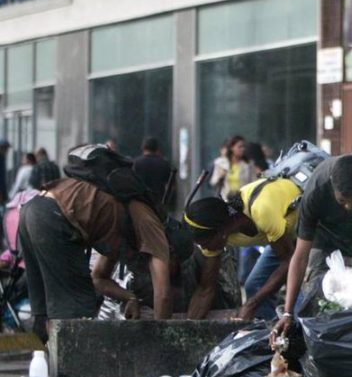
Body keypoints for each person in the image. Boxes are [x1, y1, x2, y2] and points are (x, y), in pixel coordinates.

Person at [18, 173, 172, 342]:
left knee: (43, 314)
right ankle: (73, 366)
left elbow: (98, 278)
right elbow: (163, 294)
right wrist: (160, 344)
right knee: (77, 311)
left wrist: (130, 298)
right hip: (53, 217)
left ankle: (42, 362)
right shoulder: (152, 226)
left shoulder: (122, 219)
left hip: (32, 210)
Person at [271, 153, 352, 334]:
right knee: (319, 301)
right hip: (326, 244)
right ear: (331, 184)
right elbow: (301, 255)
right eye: (342, 201)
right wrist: (288, 313)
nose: (349, 207)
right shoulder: (316, 190)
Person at [183, 172, 304, 321]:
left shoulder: (261, 211)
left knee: (300, 296)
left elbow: (289, 262)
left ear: (221, 231)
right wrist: (190, 327)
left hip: (312, 228)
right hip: (284, 236)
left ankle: (299, 334)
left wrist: (250, 305)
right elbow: (206, 288)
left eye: (205, 244)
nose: (205, 248)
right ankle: (270, 335)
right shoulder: (216, 235)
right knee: (255, 286)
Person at [133, 137, 175, 208]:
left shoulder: (136, 163)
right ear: (157, 148)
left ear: (143, 147)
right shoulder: (164, 163)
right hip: (158, 201)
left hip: (141, 201)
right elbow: (171, 186)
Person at [210, 135, 256, 200]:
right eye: (239, 147)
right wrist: (221, 175)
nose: (243, 149)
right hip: (225, 199)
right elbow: (213, 182)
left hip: (243, 199)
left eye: (244, 147)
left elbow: (253, 183)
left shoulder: (248, 164)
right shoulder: (221, 163)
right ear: (232, 148)